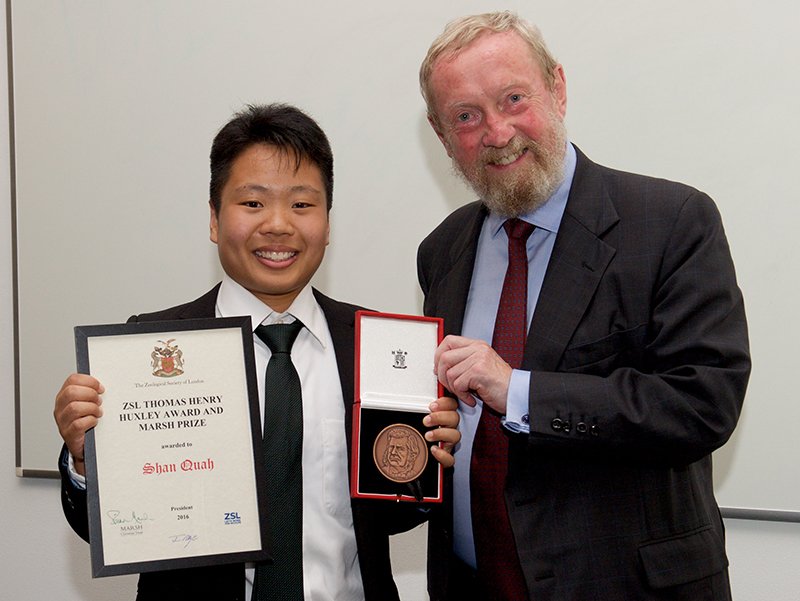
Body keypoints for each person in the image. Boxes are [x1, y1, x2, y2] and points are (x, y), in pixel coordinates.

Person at [54, 103, 460, 601]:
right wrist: (83, 459)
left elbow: (388, 517)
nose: (277, 225)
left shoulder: (376, 344)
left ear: (328, 223)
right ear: (213, 218)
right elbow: (110, 527)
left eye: (302, 205)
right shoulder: (149, 347)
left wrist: (429, 460)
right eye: (252, 204)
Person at [417, 11, 750, 601]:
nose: (496, 132)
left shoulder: (671, 222)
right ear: (443, 137)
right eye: (466, 116)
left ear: (558, 87)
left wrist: (516, 391)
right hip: (473, 584)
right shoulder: (442, 251)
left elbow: (703, 405)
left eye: (513, 98)